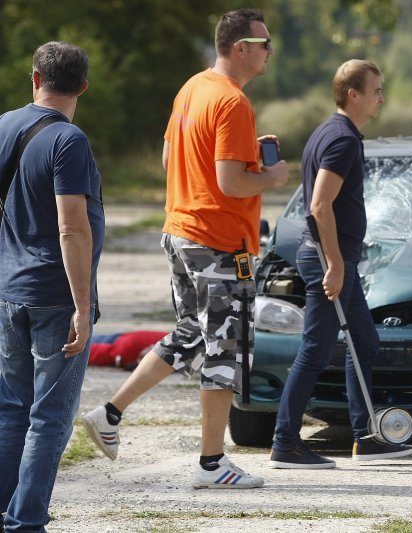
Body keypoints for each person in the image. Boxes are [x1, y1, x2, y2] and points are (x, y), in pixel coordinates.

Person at [80, 8, 289, 489]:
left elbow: (169, 156)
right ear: (242, 49)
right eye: (265, 43)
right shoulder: (233, 102)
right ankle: (212, 464)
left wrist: (239, 160)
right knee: (224, 348)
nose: (270, 51)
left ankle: (110, 413)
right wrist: (272, 175)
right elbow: (232, 183)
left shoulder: (193, 87)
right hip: (219, 243)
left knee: (191, 334)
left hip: (180, 233)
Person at [268, 60, 412, 469]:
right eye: (376, 91)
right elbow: (319, 205)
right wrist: (334, 264)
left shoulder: (335, 132)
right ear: (354, 94)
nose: (382, 98)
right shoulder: (341, 139)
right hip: (327, 259)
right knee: (315, 350)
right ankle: (285, 443)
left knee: (364, 343)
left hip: (337, 258)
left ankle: (365, 438)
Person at [0, 41, 104, 531]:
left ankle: (7, 511)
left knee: (11, 409)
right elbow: (71, 227)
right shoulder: (70, 141)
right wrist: (83, 307)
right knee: (48, 418)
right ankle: (26, 522)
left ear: (35, 78)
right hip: (53, 295)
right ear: (84, 86)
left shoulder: (3, 126)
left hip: (9, 291)